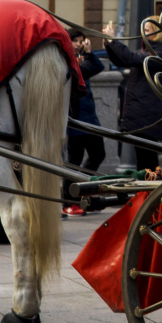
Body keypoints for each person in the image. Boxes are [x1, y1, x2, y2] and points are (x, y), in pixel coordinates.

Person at [102, 16, 162, 170]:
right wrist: (109, 45)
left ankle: (150, 191)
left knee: (147, 161)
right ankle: (147, 191)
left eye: (147, 30)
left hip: (147, 112)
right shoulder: (147, 51)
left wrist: (113, 41)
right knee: (144, 160)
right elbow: (122, 60)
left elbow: (131, 58)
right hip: (140, 111)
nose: (143, 33)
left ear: (158, 33)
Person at [63, 28, 105, 216]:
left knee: (97, 154)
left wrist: (89, 54)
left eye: (82, 40)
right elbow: (91, 69)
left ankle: (82, 190)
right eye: (76, 41)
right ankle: (69, 200)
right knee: (74, 161)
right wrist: (88, 56)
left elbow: (97, 67)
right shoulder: (67, 61)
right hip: (76, 119)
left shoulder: (81, 60)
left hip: (89, 117)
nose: (80, 44)